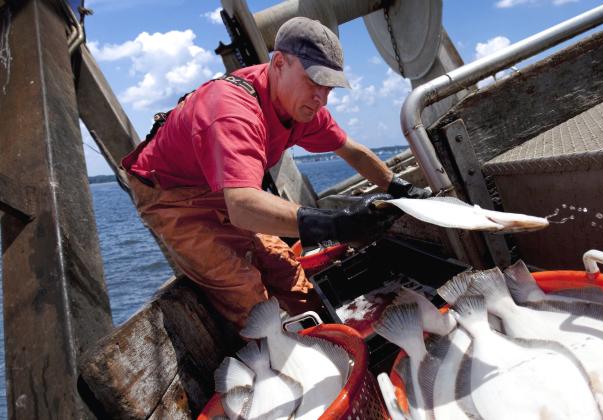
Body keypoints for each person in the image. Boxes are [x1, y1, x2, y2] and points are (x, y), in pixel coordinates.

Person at [120, 16, 430, 328]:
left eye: (329, 88)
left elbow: (352, 151)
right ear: (279, 63)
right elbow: (242, 207)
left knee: (287, 270)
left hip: (227, 189)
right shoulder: (232, 111)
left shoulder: (304, 109)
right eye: (314, 81)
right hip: (171, 194)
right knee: (247, 295)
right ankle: (269, 361)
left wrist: (399, 187)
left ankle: (327, 338)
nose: (321, 98)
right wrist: (336, 224)